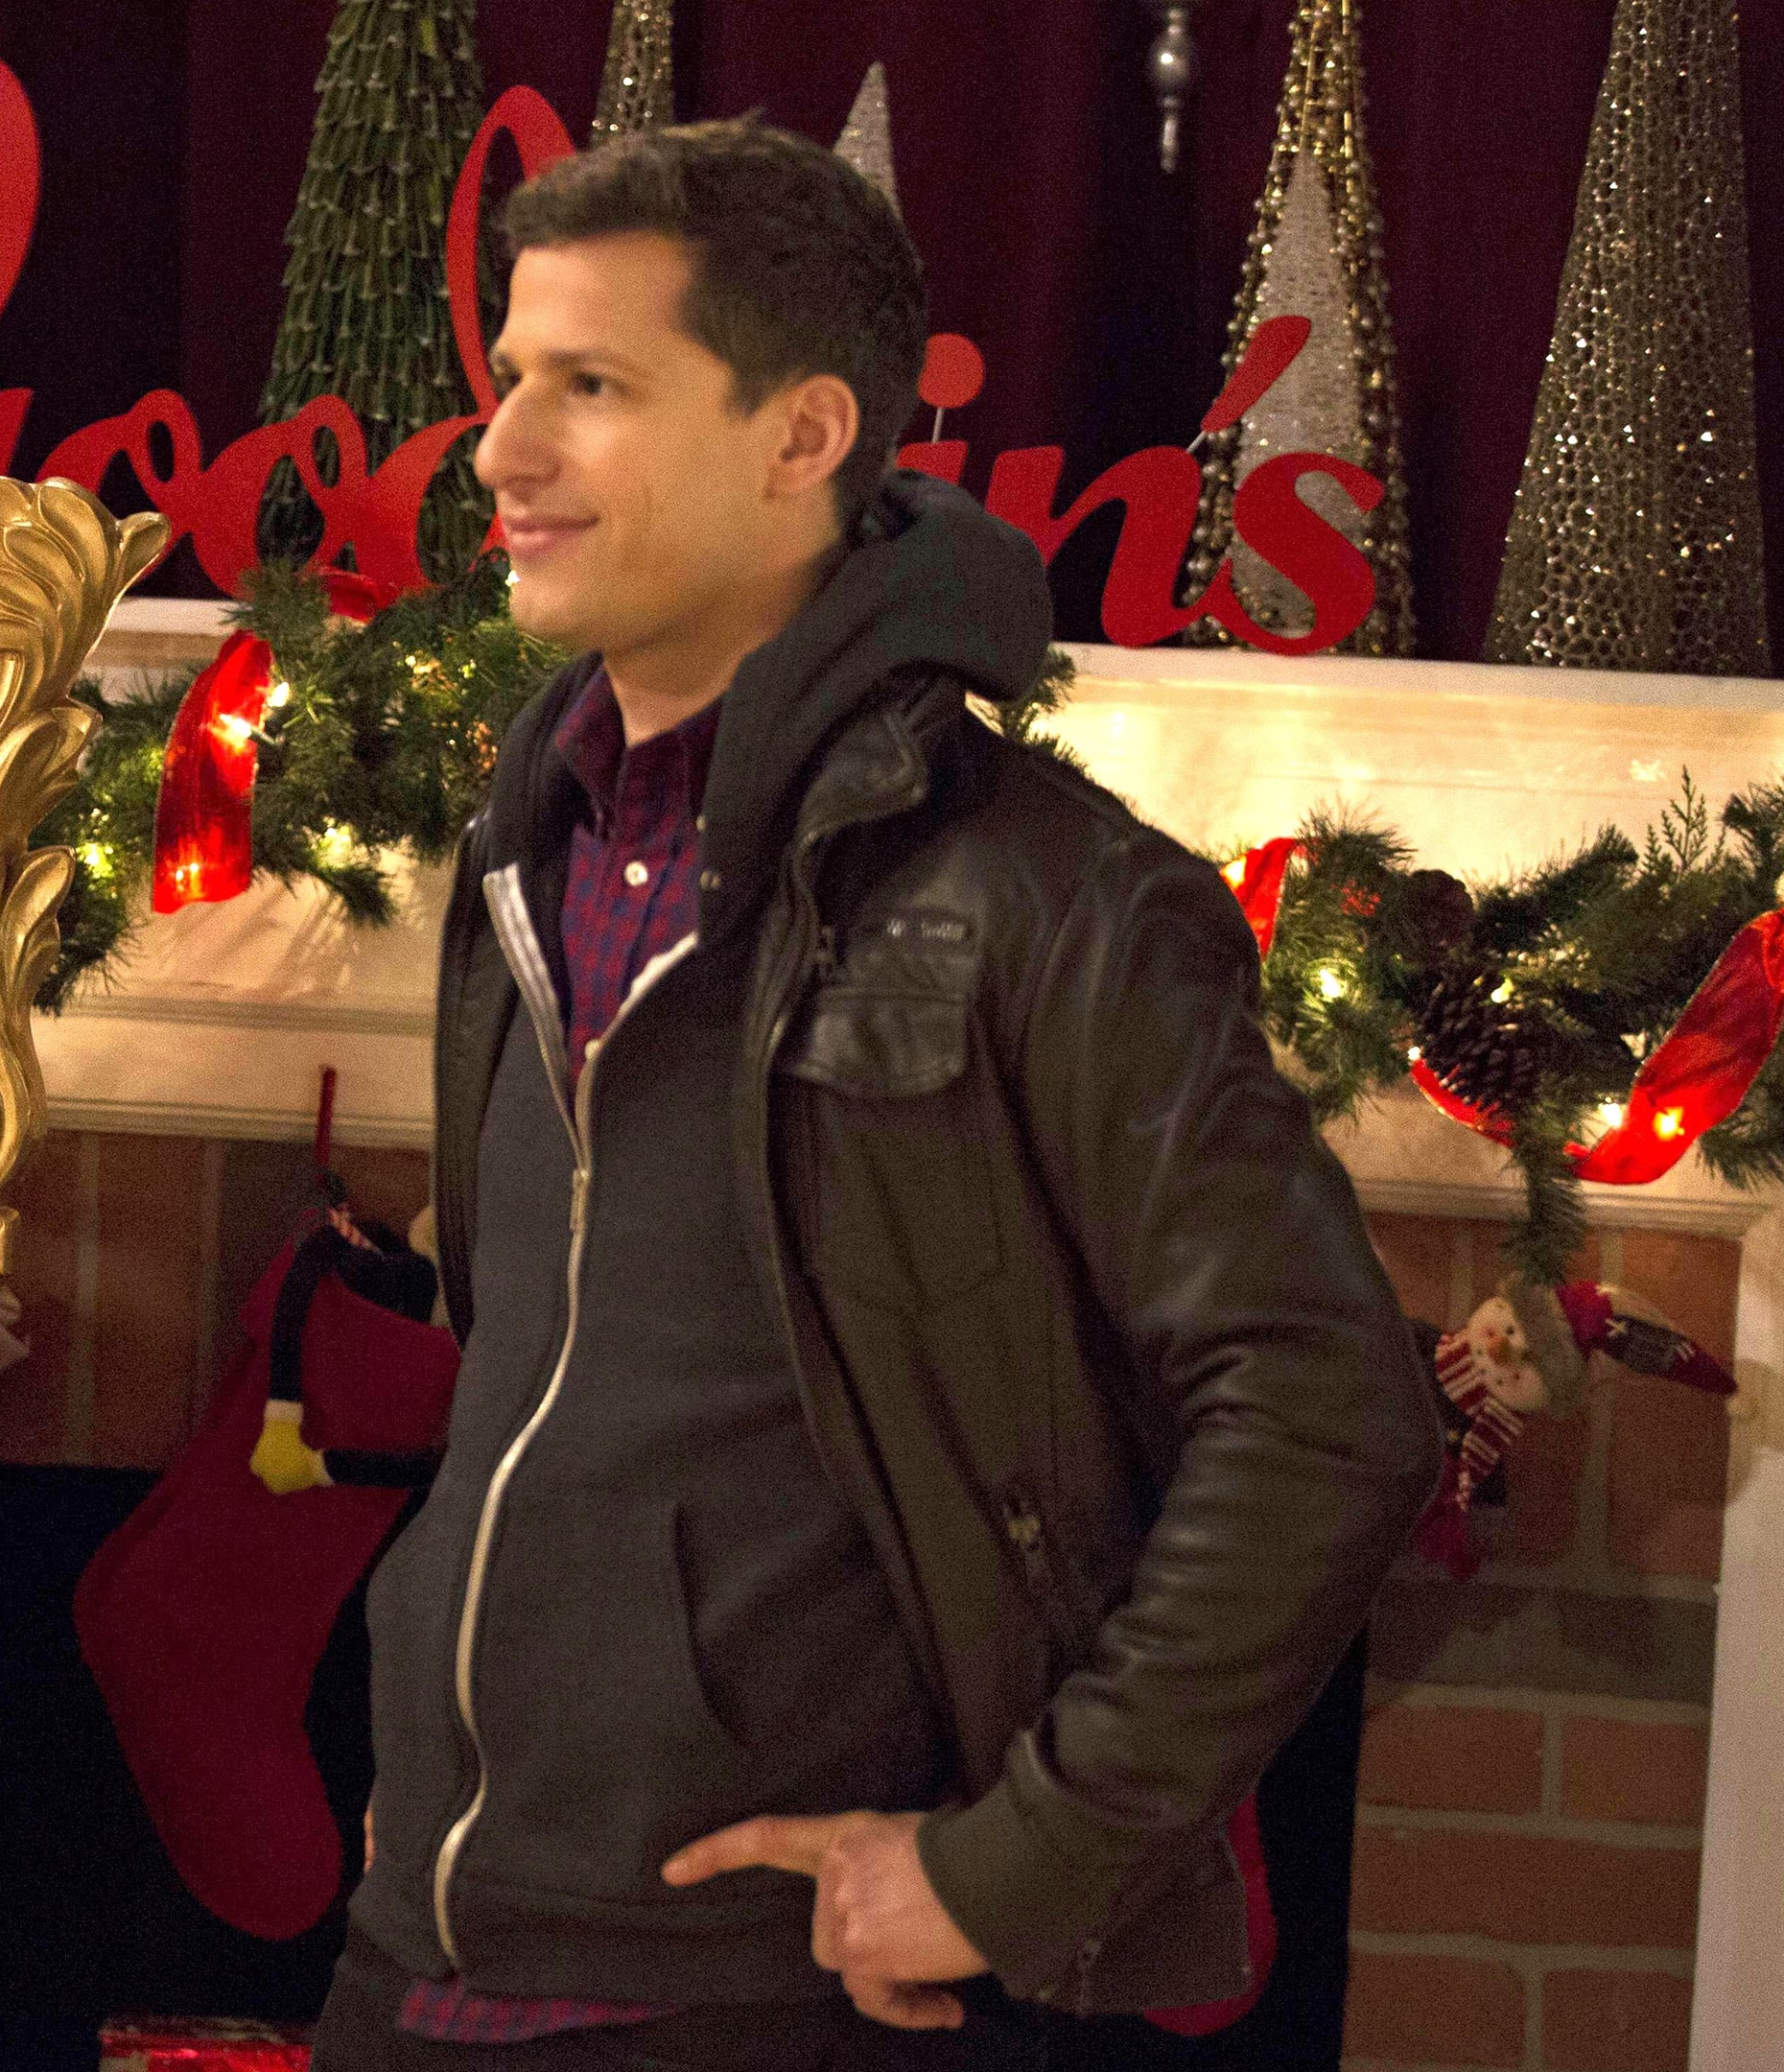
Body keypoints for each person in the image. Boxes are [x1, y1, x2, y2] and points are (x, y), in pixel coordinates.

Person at [321, 120, 1443, 2070]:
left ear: (803, 435)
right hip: (411, 1953)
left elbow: (1328, 1407)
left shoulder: (1051, 898)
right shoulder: (524, 850)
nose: (499, 450)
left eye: (593, 387)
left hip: (761, 1998)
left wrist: (1016, 1865)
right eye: (508, 377)